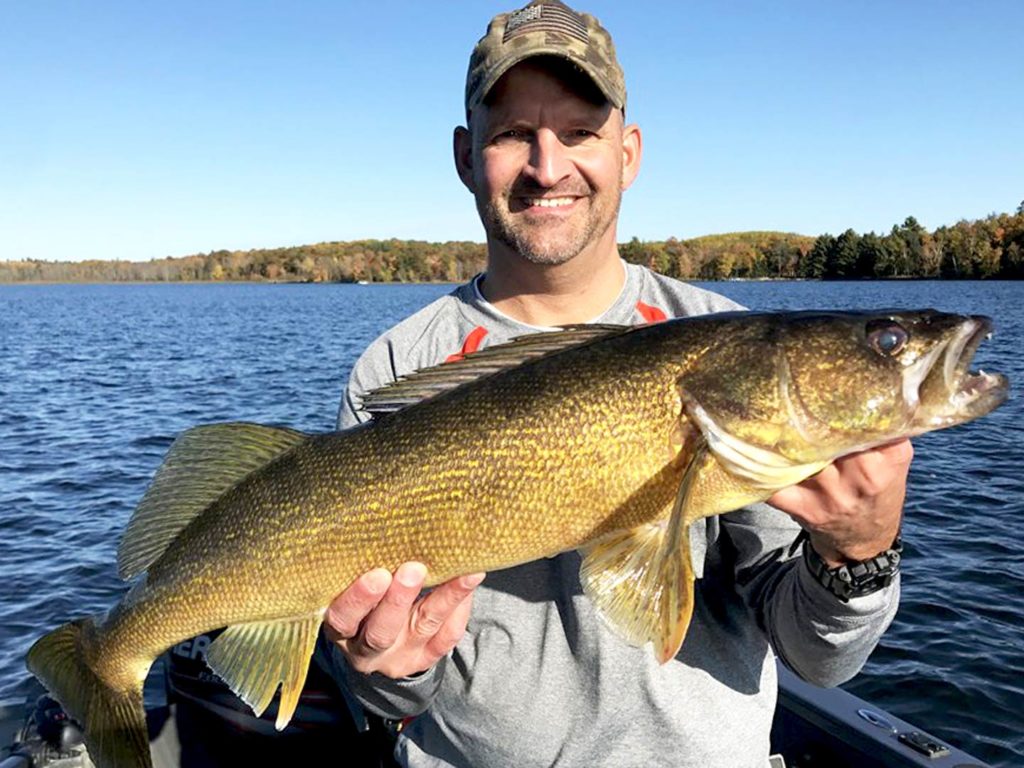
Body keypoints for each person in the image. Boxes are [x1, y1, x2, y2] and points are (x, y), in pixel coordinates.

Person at [320, 1, 909, 765]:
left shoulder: (728, 348)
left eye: (578, 132)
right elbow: (385, 687)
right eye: (511, 134)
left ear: (627, 152)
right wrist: (381, 665)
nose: (546, 165)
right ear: (466, 157)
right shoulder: (397, 368)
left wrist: (858, 554)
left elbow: (820, 660)